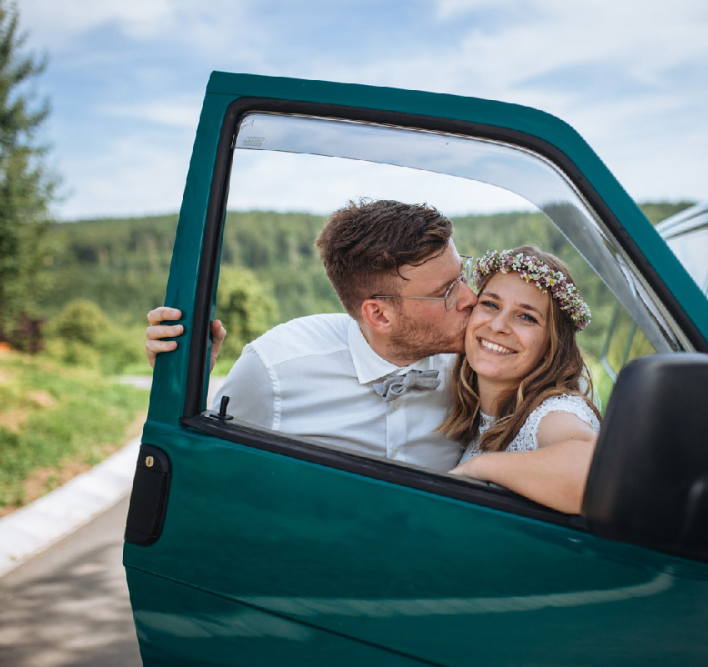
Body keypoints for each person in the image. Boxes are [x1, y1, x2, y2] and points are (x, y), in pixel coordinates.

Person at [146, 199, 476, 471]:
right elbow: (207, 469)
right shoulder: (274, 369)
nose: (470, 298)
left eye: (462, 278)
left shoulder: (482, 363)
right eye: (447, 291)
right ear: (379, 315)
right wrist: (179, 384)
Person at [439, 246, 600, 514]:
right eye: (490, 304)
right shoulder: (474, 406)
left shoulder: (553, 412)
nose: (498, 325)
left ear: (552, 344)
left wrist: (478, 468)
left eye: (526, 317)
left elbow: (596, 473)